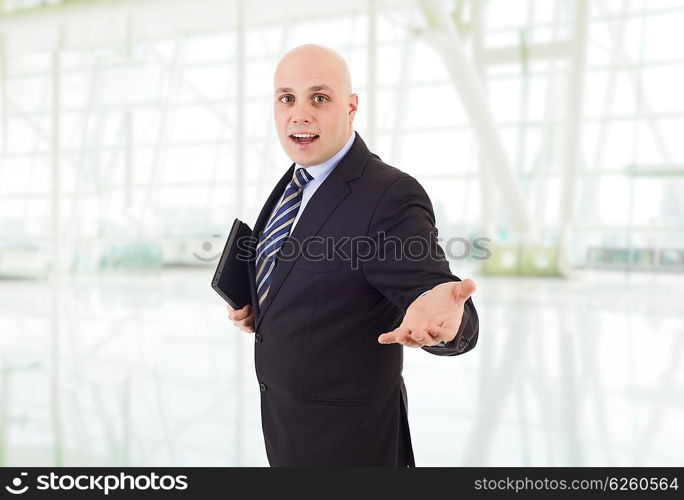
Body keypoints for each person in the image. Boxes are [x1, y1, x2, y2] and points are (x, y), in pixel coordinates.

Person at [227, 44, 478, 466]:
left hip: (351, 447)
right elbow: (303, 279)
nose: (299, 114)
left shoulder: (387, 195)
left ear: (351, 107)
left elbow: (433, 291)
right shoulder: (294, 182)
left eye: (319, 98)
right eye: (287, 98)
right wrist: (263, 305)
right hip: (288, 434)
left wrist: (447, 323)